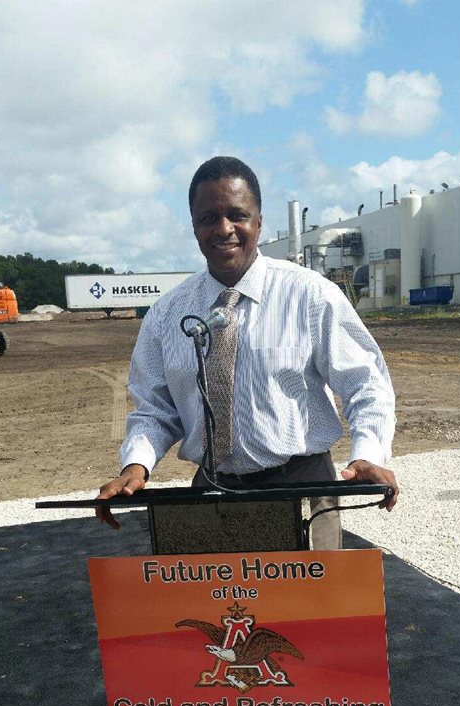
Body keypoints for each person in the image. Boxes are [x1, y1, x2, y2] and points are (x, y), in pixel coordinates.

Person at [96, 156, 398, 546]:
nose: (224, 229)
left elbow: (366, 383)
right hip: (213, 492)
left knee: (313, 605)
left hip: (303, 488)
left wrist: (369, 453)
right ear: (194, 226)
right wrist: (136, 464)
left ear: (259, 221)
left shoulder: (310, 296)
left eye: (237, 215)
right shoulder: (166, 315)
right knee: (225, 604)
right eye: (209, 218)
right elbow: (155, 408)